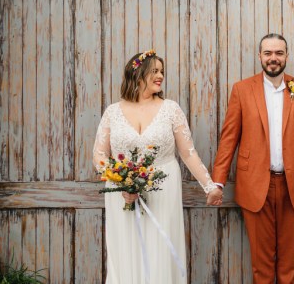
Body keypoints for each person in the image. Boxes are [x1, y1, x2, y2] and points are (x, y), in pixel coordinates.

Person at [92, 49, 222, 284]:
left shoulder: (171, 109)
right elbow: (100, 155)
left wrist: (209, 186)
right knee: (125, 249)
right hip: (122, 193)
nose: (160, 75)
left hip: (163, 188)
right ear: (138, 74)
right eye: (154, 71)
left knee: (160, 249)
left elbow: (188, 153)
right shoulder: (113, 112)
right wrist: (123, 181)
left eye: (162, 71)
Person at [208, 33, 294, 283]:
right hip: (255, 185)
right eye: (268, 53)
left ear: (287, 57)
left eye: (279, 53)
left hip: (293, 187)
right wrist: (217, 183)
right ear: (260, 56)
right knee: (261, 267)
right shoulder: (242, 89)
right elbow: (229, 140)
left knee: (289, 265)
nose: (273, 58)